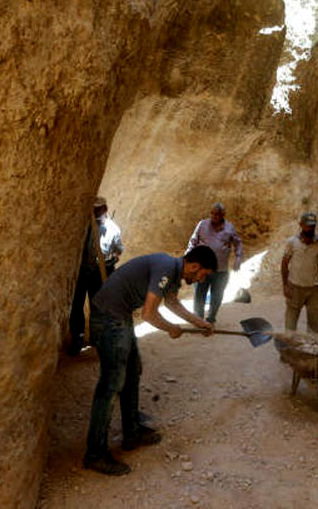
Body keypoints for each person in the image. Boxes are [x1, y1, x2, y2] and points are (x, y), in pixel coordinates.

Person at [84, 246, 217, 476]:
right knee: (111, 385)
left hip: (119, 315)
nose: (199, 280)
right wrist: (170, 329)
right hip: (108, 317)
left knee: (133, 370)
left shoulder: (173, 271)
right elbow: (148, 314)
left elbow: (172, 303)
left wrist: (199, 322)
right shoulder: (166, 267)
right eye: (202, 275)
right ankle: (95, 454)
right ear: (194, 266)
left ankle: (131, 432)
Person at [67, 196, 124, 356]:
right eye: (93, 209)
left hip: (101, 272)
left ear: (105, 209)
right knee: (77, 306)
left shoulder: (113, 229)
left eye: (98, 209)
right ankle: (77, 339)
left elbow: (119, 250)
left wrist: (109, 259)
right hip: (83, 270)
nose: (95, 212)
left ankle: (97, 339)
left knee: (97, 307)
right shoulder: (84, 226)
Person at [186, 202, 243, 324]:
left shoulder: (229, 228)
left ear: (223, 215)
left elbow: (238, 243)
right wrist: (189, 257)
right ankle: (198, 319)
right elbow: (193, 241)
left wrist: (238, 257)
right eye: (212, 213)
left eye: (217, 214)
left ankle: (211, 318)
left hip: (220, 269)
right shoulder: (202, 225)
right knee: (199, 295)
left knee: (217, 296)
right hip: (202, 268)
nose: (214, 216)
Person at [281, 212, 318, 334]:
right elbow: (284, 264)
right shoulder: (292, 242)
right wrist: (285, 285)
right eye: (308, 226)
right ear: (301, 225)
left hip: (314, 288)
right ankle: (289, 342)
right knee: (291, 317)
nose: (310, 228)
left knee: (315, 318)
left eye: (313, 226)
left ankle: (312, 344)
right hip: (295, 286)